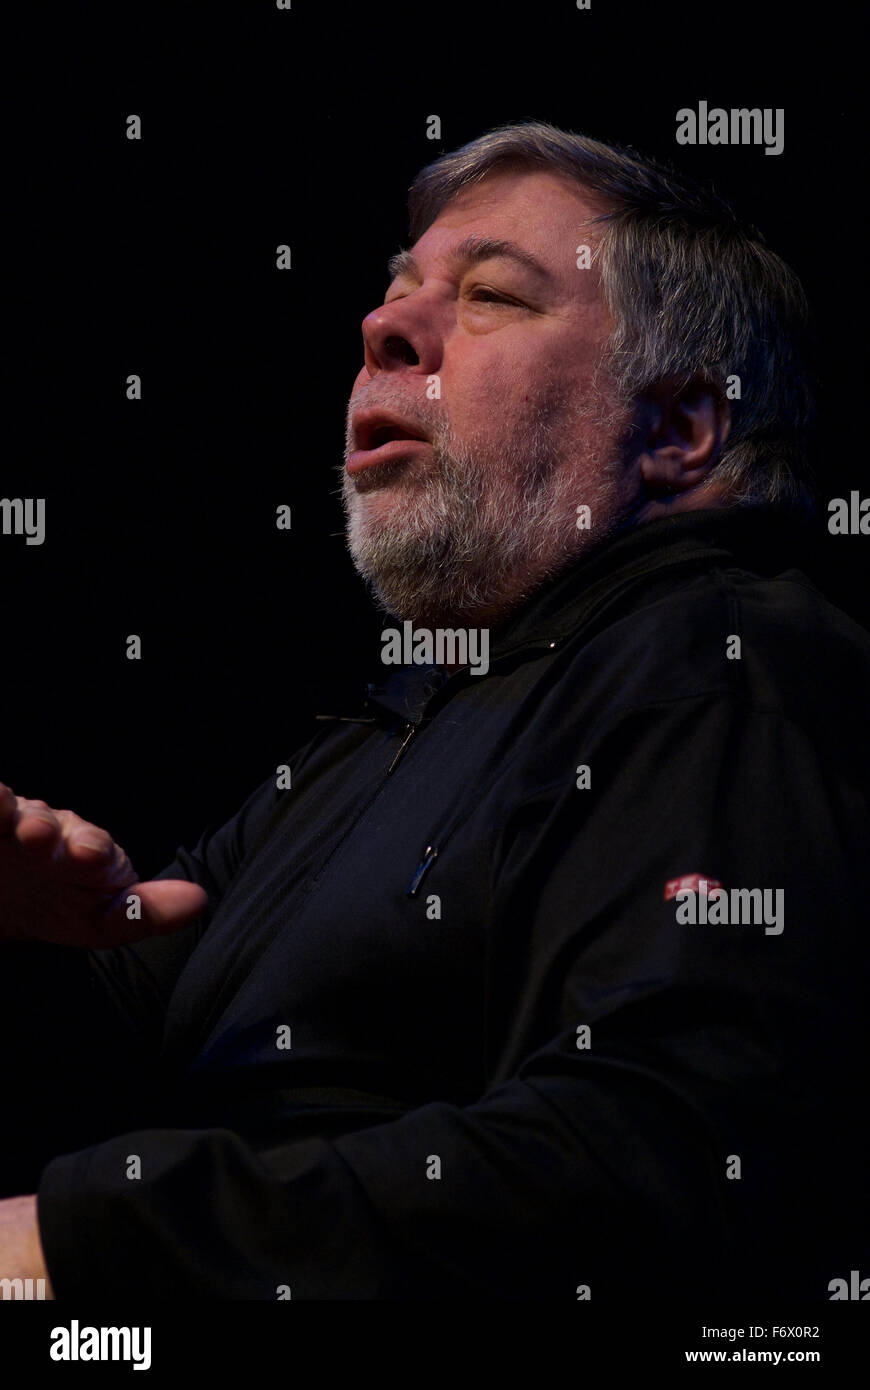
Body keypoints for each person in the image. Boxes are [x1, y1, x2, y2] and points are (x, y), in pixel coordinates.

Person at [1, 121, 867, 1301]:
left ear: (676, 429)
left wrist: (99, 1245)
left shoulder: (718, 664)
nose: (384, 326)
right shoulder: (375, 737)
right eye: (401, 287)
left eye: (495, 297)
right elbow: (128, 1045)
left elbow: (668, 1155)